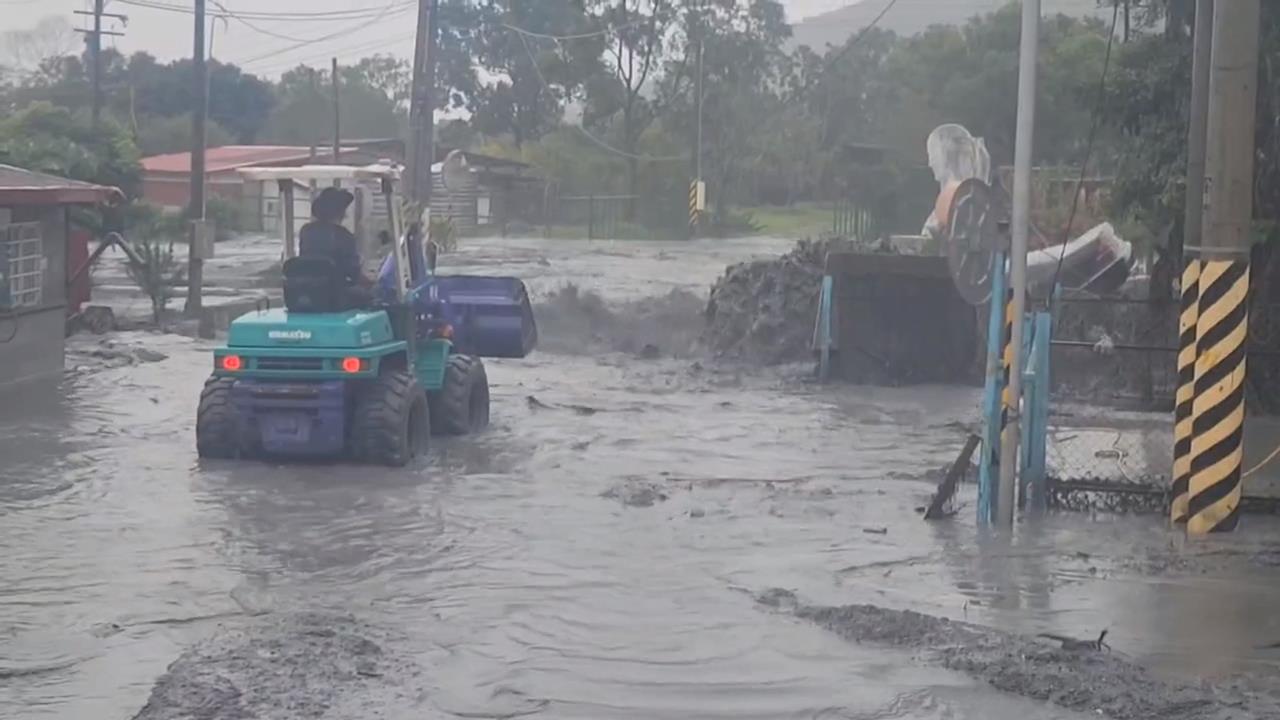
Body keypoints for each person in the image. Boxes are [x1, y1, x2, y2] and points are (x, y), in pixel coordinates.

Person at [297, 187, 373, 305]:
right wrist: (372, 283)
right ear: (340, 212)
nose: (345, 214)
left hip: (306, 292)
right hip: (335, 295)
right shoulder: (344, 236)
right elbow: (354, 273)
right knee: (374, 296)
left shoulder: (306, 231)